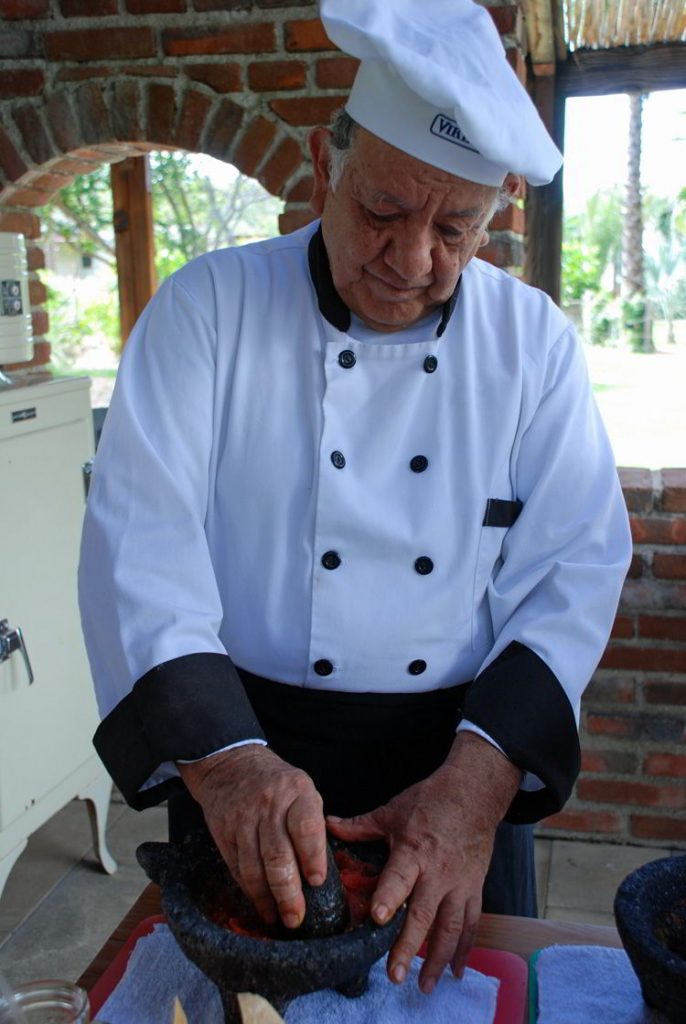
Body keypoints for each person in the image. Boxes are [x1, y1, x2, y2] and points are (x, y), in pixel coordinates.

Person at [78, 0, 632, 997]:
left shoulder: (533, 346)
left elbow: (574, 566)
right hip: (239, 748)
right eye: (381, 210)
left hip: (462, 768)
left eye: (453, 228)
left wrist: (475, 786)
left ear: (497, 206)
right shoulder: (205, 313)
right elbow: (140, 549)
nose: (412, 258)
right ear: (323, 165)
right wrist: (226, 764)